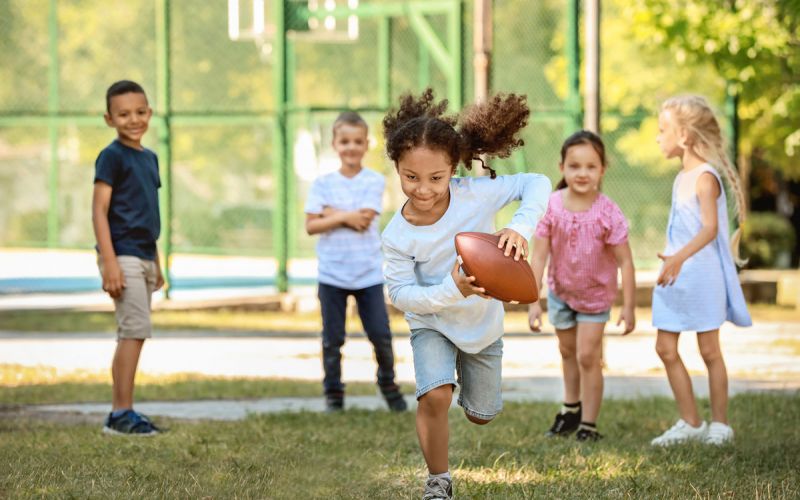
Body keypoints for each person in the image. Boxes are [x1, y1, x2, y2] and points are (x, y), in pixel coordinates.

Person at [381, 89, 551, 500]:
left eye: (436, 178)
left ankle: (472, 393)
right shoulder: (396, 235)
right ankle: (438, 481)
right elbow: (401, 295)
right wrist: (451, 289)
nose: (423, 188)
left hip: (482, 326)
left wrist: (519, 229)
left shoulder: (476, 192)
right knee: (435, 395)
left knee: (482, 415)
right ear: (397, 168)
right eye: (411, 177)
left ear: (453, 168)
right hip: (432, 322)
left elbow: (538, 183)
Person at [650, 95, 752, 446]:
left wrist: (678, 257)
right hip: (675, 279)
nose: (657, 137)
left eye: (662, 130)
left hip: (701, 277)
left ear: (684, 137)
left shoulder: (706, 178)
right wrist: (673, 262)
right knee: (665, 348)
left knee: (709, 351)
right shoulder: (681, 177)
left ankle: (720, 424)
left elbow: (709, 229)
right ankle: (691, 422)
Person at [528, 130, 636, 442]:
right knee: (567, 351)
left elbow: (626, 262)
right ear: (561, 167)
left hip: (595, 298)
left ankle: (588, 425)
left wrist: (628, 307)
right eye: (575, 166)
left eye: (591, 166)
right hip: (561, 293)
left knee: (588, 356)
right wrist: (533, 300)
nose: (582, 173)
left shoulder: (608, 212)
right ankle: (570, 409)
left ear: (602, 169)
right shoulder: (550, 207)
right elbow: (538, 258)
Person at [304, 111, 407, 413]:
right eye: (344, 141)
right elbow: (311, 225)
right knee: (332, 340)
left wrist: (330, 213)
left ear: (366, 144)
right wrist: (342, 215)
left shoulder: (374, 180)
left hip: (368, 275)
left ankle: (388, 385)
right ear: (335, 144)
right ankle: (334, 395)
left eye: (357, 142)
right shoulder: (322, 183)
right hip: (332, 275)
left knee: (381, 335)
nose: (351, 147)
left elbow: (363, 220)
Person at [92, 80, 163, 435]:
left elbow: (149, 213)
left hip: (144, 256)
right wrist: (110, 262)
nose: (133, 120)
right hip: (122, 256)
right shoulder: (112, 156)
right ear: (109, 119)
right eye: (123, 114)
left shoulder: (149, 158)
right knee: (133, 332)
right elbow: (99, 211)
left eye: (140, 112)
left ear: (149, 113)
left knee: (134, 333)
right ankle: (121, 413)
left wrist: (158, 263)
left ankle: (123, 411)